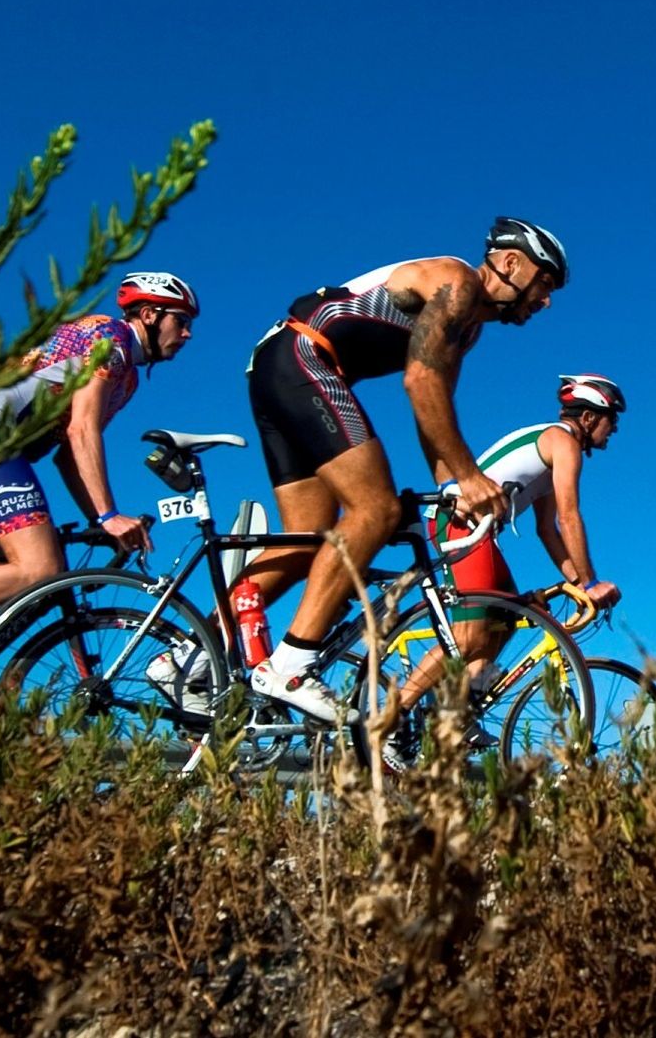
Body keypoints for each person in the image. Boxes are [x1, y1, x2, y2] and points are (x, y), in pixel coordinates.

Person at [234, 217, 569, 723]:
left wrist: (452, 487)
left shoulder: (469, 330)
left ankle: (193, 658)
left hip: (279, 364)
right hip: (306, 358)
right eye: (544, 283)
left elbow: (436, 410)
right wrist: (471, 478)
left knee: (308, 538)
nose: (545, 302)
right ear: (509, 263)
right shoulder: (457, 283)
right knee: (376, 510)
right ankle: (292, 666)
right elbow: (420, 382)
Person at [383, 373, 625, 768]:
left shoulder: (552, 448)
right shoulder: (563, 442)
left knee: (509, 618)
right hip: (459, 524)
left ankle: (455, 713)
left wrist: (579, 585)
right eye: (611, 419)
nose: (613, 429)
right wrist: (592, 582)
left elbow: (547, 530)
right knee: (470, 637)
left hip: (480, 531)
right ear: (588, 417)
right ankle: (391, 722)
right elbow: (569, 518)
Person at [0, 272, 198, 631]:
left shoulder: (128, 379)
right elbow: (82, 431)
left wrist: (99, 521)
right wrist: (109, 516)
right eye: (181, 321)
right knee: (40, 568)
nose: (187, 334)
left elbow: (70, 456)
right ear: (150, 315)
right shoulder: (111, 340)